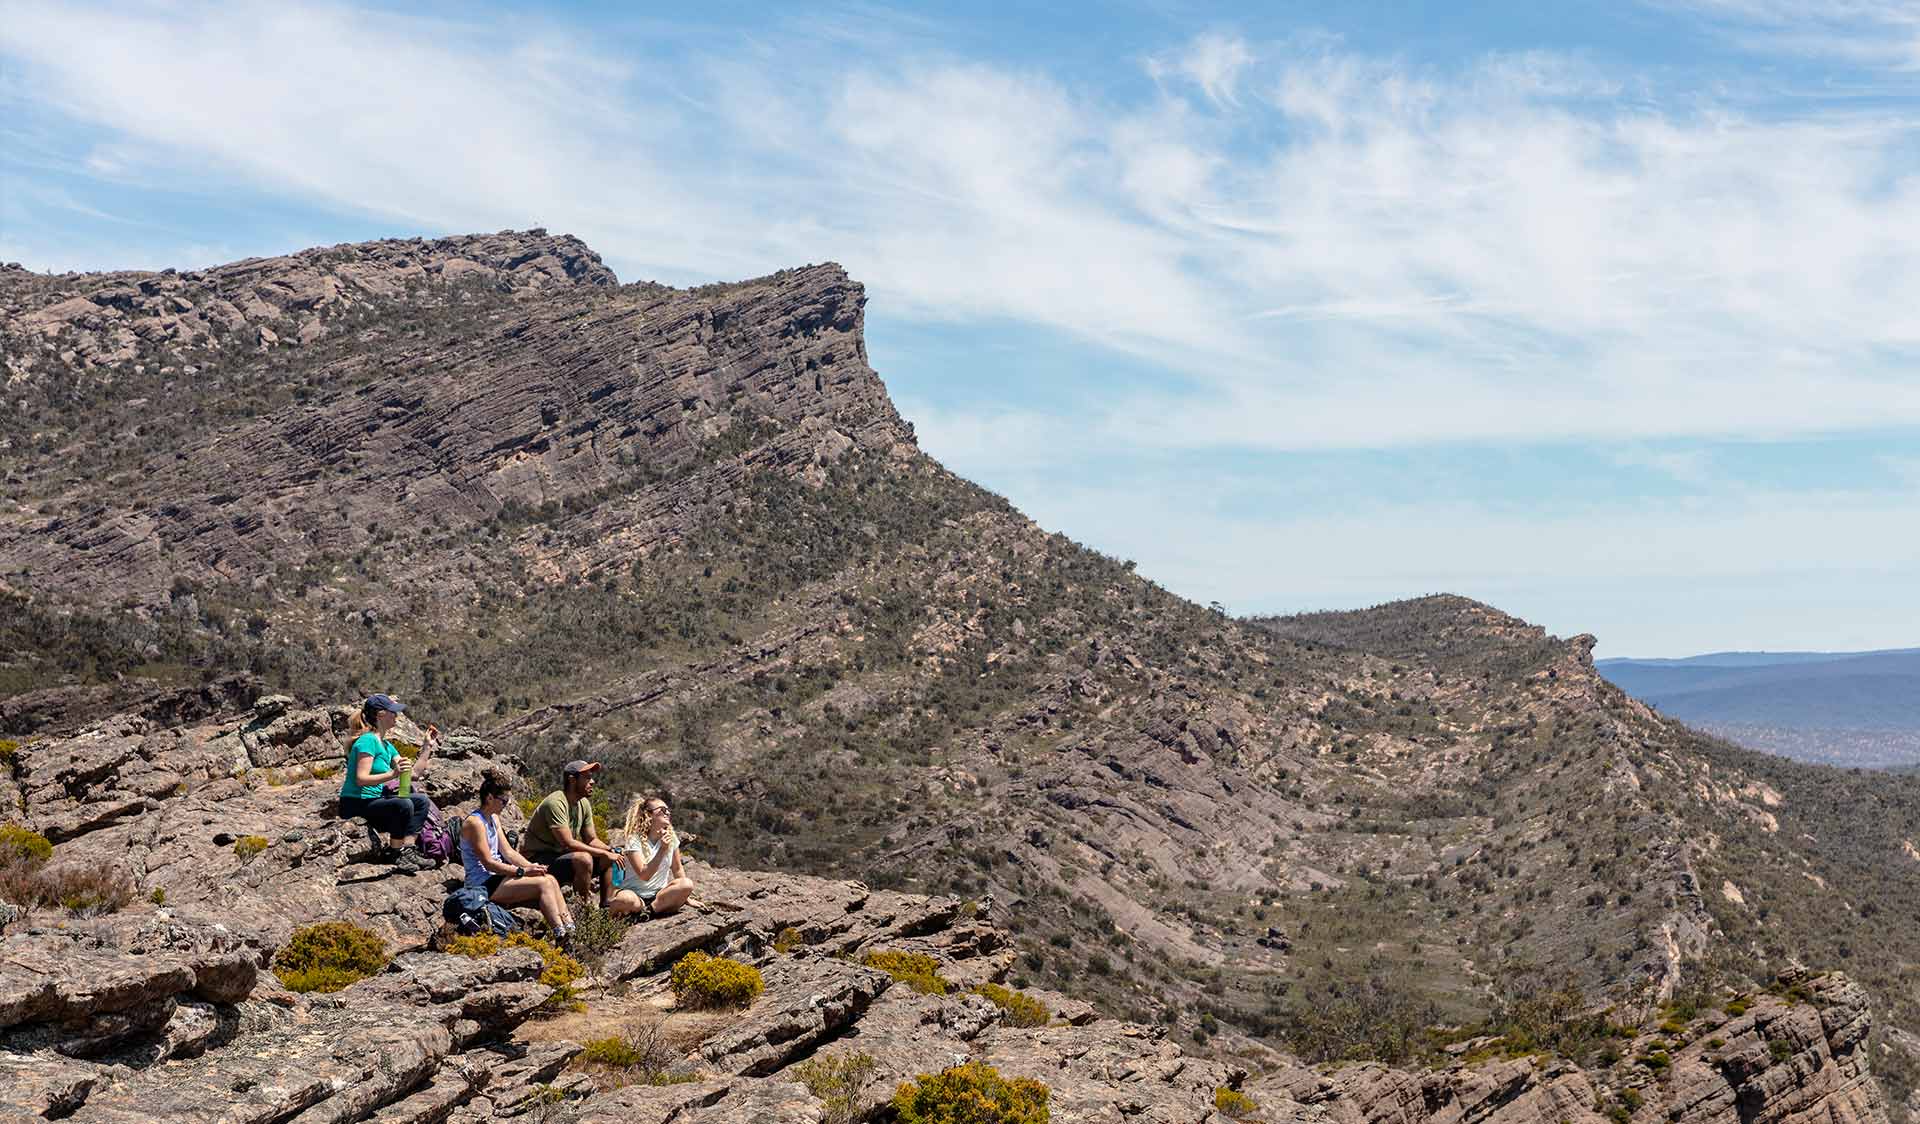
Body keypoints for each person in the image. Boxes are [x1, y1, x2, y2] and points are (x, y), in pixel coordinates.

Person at [460, 770, 575, 942]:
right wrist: (522, 871)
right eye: (503, 801)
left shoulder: (493, 818)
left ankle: (570, 929)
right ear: (490, 798)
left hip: (496, 878)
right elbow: (488, 863)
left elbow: (508, 852)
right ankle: (561, 935)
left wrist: (532, 867)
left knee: (549, 878)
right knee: (543, 885)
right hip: (482, 884)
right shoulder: (475, 823)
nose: (505, 805)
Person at [338, 694, 440, 872]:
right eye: (393, 712)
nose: (397, 716)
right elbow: (361, 779)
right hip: (355, 802)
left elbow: (414, 774)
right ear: (381, 714)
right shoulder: (367, 740)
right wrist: (393, 774)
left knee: (421, 801)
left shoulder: (386, 746)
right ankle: (395, 853)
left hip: (373, 800)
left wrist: (427, 747)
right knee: (404, 804)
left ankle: (407, 850)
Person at [521, 760, 621, 910]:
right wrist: (603, 853)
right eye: (587, 777)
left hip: (561, 857)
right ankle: (583, 909)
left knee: (611, 855)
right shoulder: (556, 802)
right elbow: (567, 842)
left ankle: (607, 906)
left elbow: (591, 839)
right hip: (537, 860)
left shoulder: (583, 803)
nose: (592, 782)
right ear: (572, 779)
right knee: (584, 858)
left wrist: (610, 851)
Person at [611, 795, 695, 918]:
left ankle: (649, 911)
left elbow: (677, 869)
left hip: (659, 896)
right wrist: (662, 849)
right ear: (649, 815)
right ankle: (643, 910)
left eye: (668, 810)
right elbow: (644, 875)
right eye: (662, 810)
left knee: (686, 884)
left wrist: (687, 897)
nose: (667, 813)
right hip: (635, 896)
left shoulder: (671, 838)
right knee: (624, 899)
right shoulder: (634, 840)